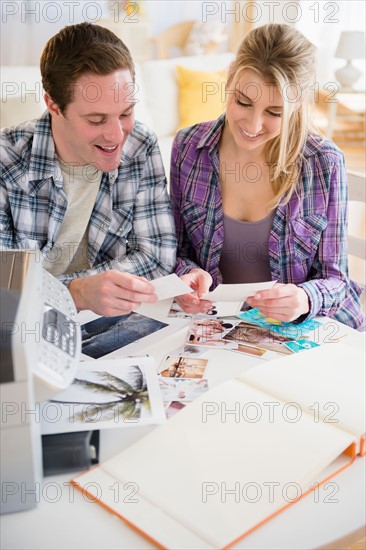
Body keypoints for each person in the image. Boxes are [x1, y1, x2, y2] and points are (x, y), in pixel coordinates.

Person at [171, 23, 364, 330]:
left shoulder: (324, 163)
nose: (253, 124)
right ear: (230, 80)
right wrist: (187, 273)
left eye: (274, 112)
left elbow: (336, 279)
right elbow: (177, 250)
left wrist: (304, 298)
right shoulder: (188, 148)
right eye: (243, 102)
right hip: (221, 327)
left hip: (306, 332)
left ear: (297, 105)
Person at [0, 23, 176, 317]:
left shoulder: (140, 145)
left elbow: (157, 257)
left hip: (108, 327)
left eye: (126, 113)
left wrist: (58, 289)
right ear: (54, 106)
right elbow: (5, 292)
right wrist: (76, 293)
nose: (117, 135)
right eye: (96, 120)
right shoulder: (6, 159)